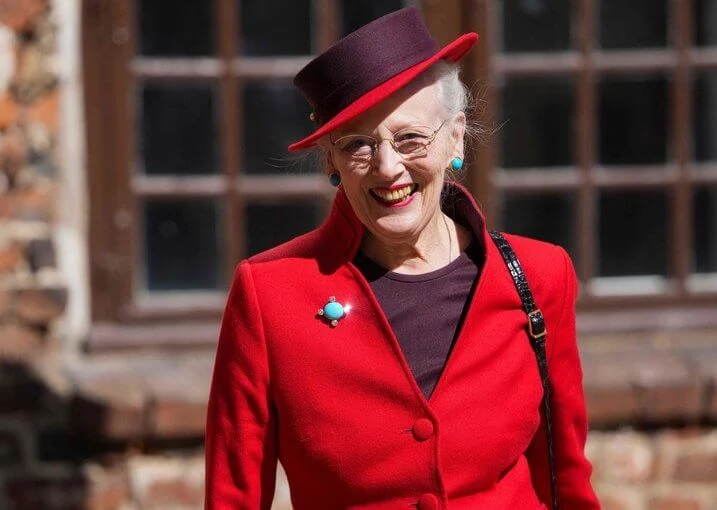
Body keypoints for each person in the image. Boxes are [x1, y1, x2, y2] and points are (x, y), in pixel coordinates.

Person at [205, 7, 599, 510]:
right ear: (331, 161)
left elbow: (565, 476)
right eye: (358, 146)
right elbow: (232, 495)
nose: (388, 168)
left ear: (455, 137)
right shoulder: (270, 294)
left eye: (410, 138)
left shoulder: (539, 277)